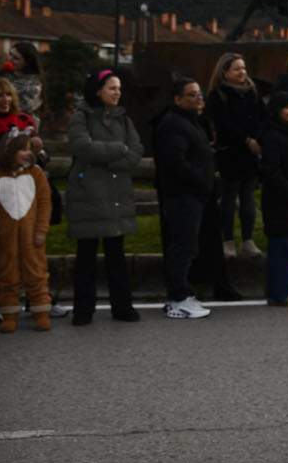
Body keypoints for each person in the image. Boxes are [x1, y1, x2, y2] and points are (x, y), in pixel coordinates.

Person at [65, 69, 142, 324]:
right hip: (88, 194)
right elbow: (82, 147)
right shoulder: (81, 117)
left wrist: (109, 160)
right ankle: (83, 310)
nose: (117, 92)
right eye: (112, 88)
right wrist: (118, 149)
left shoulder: (125, 120)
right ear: (98, 91)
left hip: (116, 194)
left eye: (119, 88)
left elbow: (135, 153)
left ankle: (122, 307)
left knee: (116, 255)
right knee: (86, 255)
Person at [153, 79, 214, 320]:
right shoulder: (173, 125)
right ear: (177, 99)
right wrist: (200, 179)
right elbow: (176, 162)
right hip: (182, 195)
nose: (198, 98)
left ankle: (181, 293)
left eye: (199, 94)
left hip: (192, 194)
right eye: (191, 95)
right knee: (182, 245)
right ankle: (177, 297)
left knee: (187, 245)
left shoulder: (190, 122)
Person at [206, 52, 265, 258]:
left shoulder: (252, 92)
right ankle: (228, 240)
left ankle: (248, 239)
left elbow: (261, 117)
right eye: (237, 68)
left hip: (250, 155)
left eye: (243, 68)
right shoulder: (217, 96)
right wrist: (246, 140)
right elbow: (224, 124)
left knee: (248, 198)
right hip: (230, 153)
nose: (242, 72)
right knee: (229, 199)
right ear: (225, 72)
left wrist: (258, 139)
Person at [0, 131, 51, 332]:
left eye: (29, 149)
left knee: (35, 271)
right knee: (7, 273)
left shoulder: (36, 174)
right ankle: (9, 314)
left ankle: (41, 311)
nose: (27, 153)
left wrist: (41, 230)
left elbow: (45, 204)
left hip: (31, 236)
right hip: (5, 238)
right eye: (22, 149)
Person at [259, 91, 288, 306]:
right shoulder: (272, 136)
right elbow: (271, 171)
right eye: (287, 108)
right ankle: (279, 292)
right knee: (281, 247)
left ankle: (287, 290)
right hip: (279, 200)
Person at [7, 41, 43, 116]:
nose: (10, 59)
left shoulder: (31, 85)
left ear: (26, 63)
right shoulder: (9, 75)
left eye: (16, 58)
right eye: (10, 54)